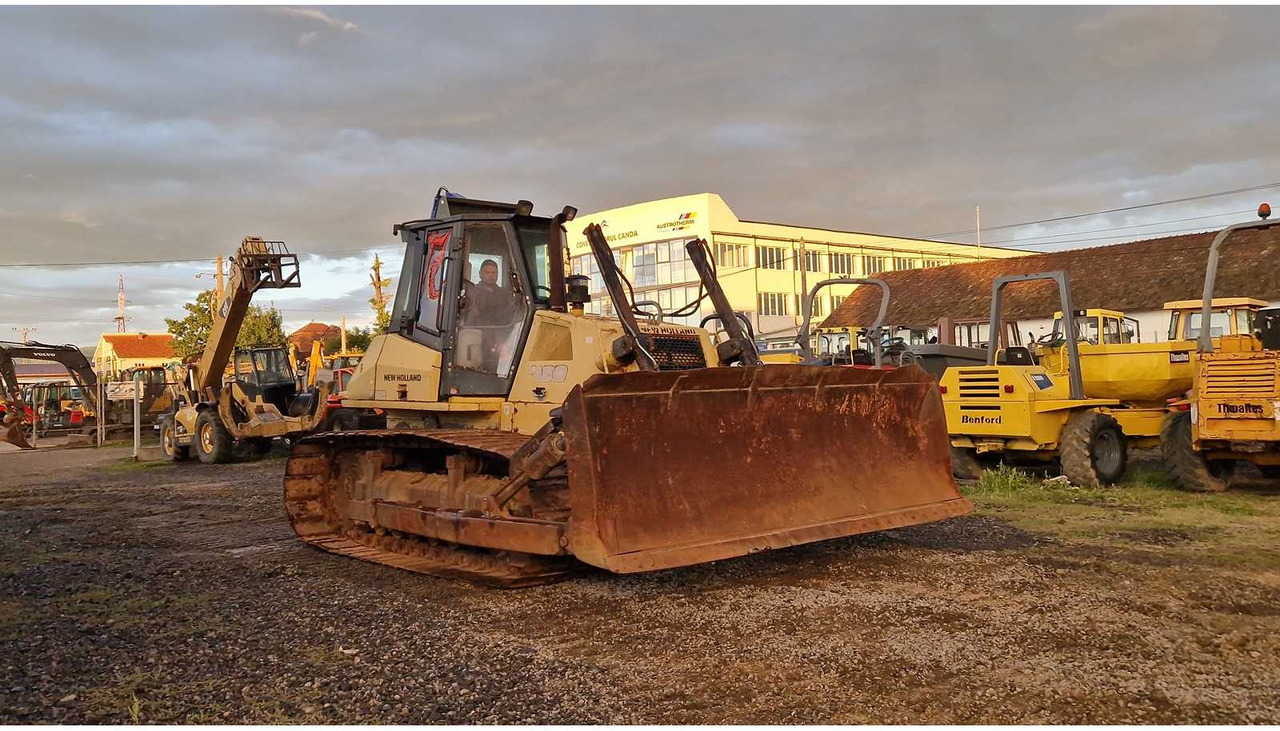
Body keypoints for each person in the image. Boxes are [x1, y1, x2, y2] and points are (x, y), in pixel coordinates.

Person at [467, 259, 517, 326]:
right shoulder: (472, 293)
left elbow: (512, 315)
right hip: (477, 331)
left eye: (494, 273)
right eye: (487, 272)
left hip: (502, 331)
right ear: (480, 274)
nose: (491, 276)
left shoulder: (505, 294)